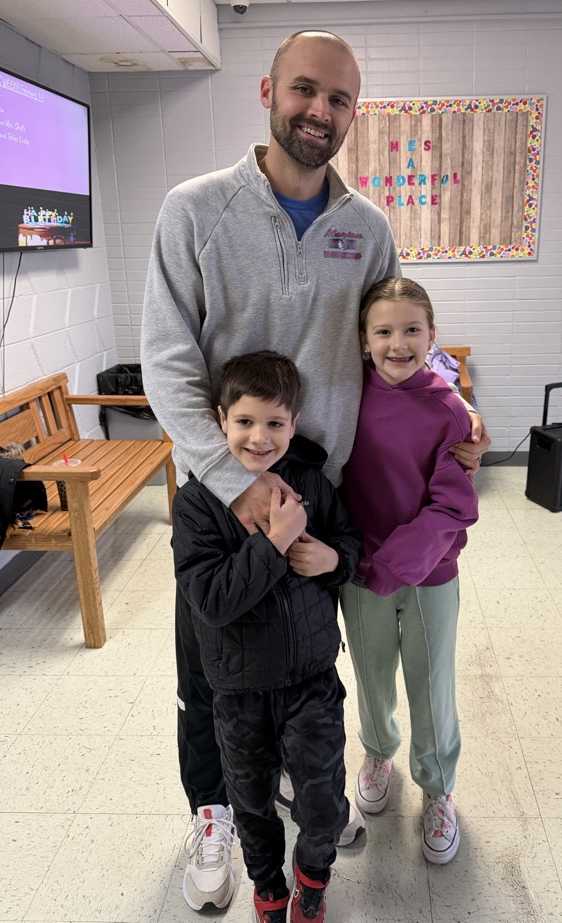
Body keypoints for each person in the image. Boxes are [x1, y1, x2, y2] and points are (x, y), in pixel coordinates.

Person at [141, 29, 491, 911]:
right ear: (267, 90)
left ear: (351, 114)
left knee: (305, 662)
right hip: (222, 488)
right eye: (304, 90)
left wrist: (454, 395)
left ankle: (302, 783)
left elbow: (397, 334)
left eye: (338, 100)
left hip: (322, 492)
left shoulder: (366, 228)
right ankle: (215, 810)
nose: (319, 111)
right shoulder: (195, 209)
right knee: (210, 669)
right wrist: (238, 479)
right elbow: (167, 360)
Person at [172, 350, 361, 923]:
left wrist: (331, 558)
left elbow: (349, 545)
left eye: (275, 423)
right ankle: (269, 890)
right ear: (219, 419)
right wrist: (273, 543)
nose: (260, 437)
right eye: (245, 422)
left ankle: (312, 878)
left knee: (324, 800)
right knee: (252, 805)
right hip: (239, 689)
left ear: (294, 424)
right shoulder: (197, 502)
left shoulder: (309, 480)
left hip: (312, 680)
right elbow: (210, 600)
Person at [340, 277, 480, 866]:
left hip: (428, 573)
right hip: (359, 570)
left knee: (430, 682)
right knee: (371, 675)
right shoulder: (345, 398)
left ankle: (437, 787)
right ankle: (377, 752)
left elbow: (453, 503)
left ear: (431, 335)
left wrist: (393, 565)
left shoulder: (450, 410)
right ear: (364, 339)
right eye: (384, 331)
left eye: (412, 330)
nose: (398, 343)